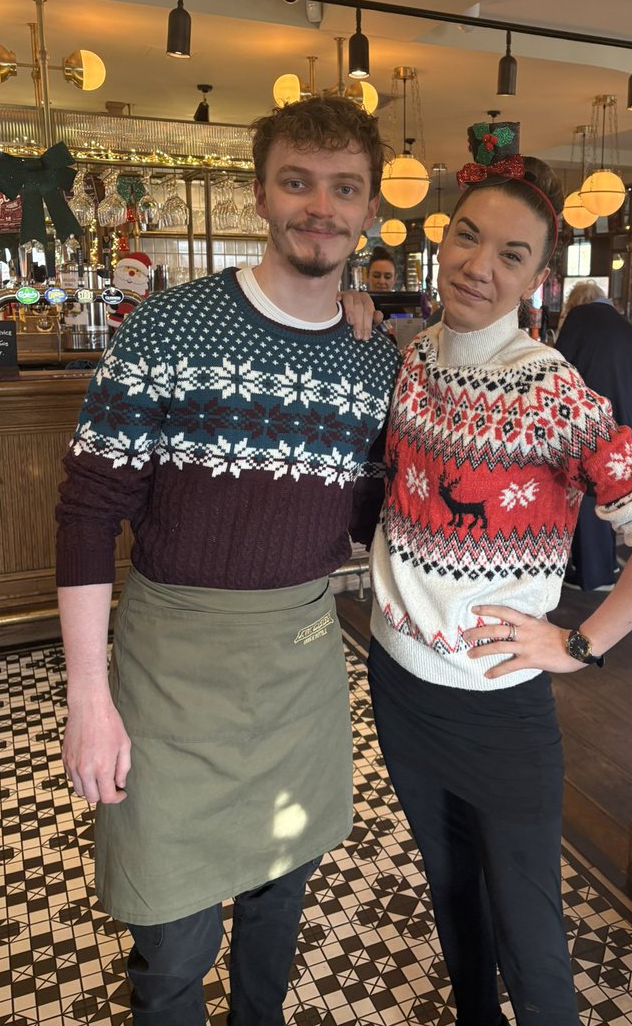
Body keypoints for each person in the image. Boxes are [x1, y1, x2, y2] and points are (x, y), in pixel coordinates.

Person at [55, 95, 400, 1026]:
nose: (319, 207)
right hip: (170, 670)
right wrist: (89, 700)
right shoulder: (166, 329)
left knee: (277, 909)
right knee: (171, 943)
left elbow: (379, 507)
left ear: (369, 209)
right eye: (297, 182)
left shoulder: (376, 361)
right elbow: (88, 515)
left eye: (343, 189)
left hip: (298, 666)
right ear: (260, 193)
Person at [367, 120, 632, 1026]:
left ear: (535, 279)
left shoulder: (549, 389)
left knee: (530, 936)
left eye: (511, 254)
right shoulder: (413, 361)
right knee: (452, 902)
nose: (481, 264)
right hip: (399, 685)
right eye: (469, 235)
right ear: (444, 237)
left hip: (496, 705)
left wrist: (579, 643)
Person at [555, 279, 632, 592]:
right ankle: (606, 562)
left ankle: (589, 573)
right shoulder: (627, 328)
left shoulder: (579, 321)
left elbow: (557, 371)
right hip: (623, 420)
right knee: (612, 487)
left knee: (584, 490)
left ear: (575, 304)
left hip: (586, 419)